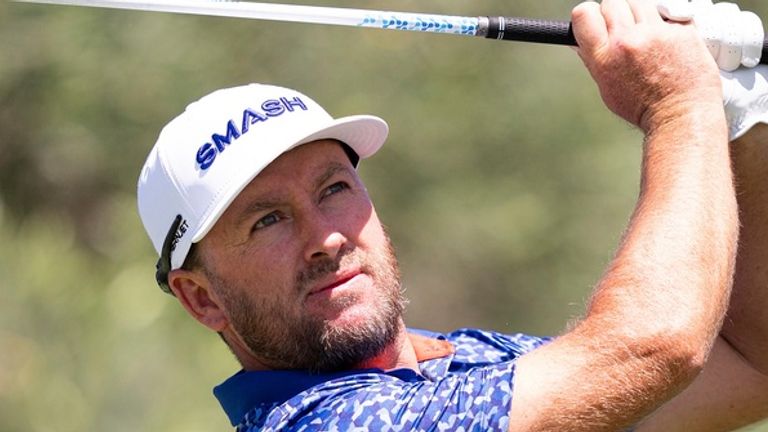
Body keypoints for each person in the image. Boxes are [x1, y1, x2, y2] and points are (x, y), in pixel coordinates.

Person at [136, 0, 768, 430]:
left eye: (333, 188)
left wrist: (739, 119)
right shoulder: (326, 421)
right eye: (266, 221)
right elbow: (656, 348)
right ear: (202, 299)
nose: (325, 236)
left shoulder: (463, 362)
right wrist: (681, 107)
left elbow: (752, 362)